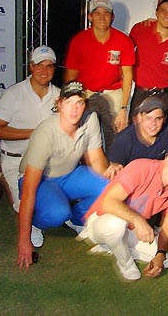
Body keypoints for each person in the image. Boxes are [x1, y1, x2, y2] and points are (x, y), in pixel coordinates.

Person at [16, 81, 121, 269]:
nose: (74, 109)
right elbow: (29, 191)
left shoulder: (91, 119)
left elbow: (96, 160)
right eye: (68, 102)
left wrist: (109, 170)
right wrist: (23, 240)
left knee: (112, 185)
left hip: (69, 175)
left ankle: (77, 219)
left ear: (85, 105)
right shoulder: (46, 132)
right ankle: (35, 224)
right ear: (59, 104)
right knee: (57, 213)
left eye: (79, 103)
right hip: (41, 181)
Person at [80, 142, 168, 281]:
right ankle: (126, 263)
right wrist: (138, 220)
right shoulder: (141, 167)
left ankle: (114, 245)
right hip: (101, 219)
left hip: (130, 229)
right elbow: (108, 203)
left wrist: (160, 255)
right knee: (116, 224)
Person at [0, 46, 60, 212]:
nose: (44, 71)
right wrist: (34, 133)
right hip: (16, 160)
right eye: (39, 65)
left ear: (54, 69)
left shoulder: (59, 95)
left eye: (49, 66)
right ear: (31, 67)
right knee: (24, 209)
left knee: (51, 208)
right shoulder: (13, 94)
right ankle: (3, 176)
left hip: (45, 161)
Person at [64, 0, 135, 132]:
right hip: (86, 93)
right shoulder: (79, 41)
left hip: (113, 93)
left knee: (117, 133)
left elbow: (127, 76)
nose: (102, 18)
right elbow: (70, 76)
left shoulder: (124, 41)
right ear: (90, 17)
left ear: (112, 17)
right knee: (83, 135)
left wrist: (123, 109)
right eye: (97, 13)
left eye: (106, 13)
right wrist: (71, 101)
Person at [129, 0, 168, 135]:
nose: (167, 15)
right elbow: (125, 54)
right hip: (142, 94)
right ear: (156, 13)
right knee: (136, 135)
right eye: (163, 10)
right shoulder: (139, 29)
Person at [108, 97, 168, 167]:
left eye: (158, 118)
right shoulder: (123, 140)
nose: (153, 123)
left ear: (164, 119)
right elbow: (115, 169)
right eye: (148, 118)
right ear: (139, 117)